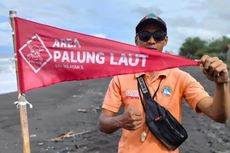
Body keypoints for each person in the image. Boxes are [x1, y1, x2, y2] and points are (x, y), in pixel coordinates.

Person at [98, 13, 230, 153]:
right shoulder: (121, 77)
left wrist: (221, 84)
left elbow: (218, 115)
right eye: (144, 35)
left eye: (158, 35)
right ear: (136, 41)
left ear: (165, 40)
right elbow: (103, 122)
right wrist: (120, 121)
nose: (151, 41)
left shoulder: (180, 77)